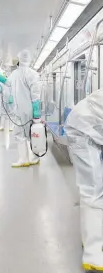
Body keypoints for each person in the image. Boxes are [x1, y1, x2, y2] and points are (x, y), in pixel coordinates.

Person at [64, 89, 103, 272]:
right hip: (82, 130)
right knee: (93, 189)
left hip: (94, 128)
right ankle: (93, 253)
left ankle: (93, 231)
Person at [0, 50, 41, 167]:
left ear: (20, 59)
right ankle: (28, 158)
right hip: (27, 109)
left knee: (25, 134)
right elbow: (35, 94)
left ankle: (28, 158)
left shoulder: (18, 74)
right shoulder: (32, 74)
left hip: (23, 109)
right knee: (29, 133)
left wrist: (36, 109)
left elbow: (8, 82)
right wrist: (0, 78)